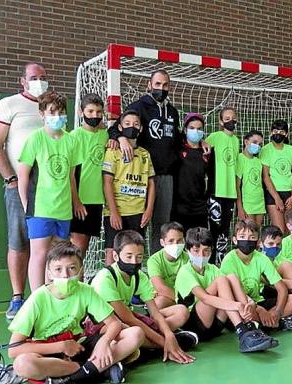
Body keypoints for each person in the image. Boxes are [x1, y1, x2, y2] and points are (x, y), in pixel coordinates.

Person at [7, 241, 144, 384]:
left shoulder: (85, 290)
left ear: (80, 270)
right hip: (49, 353)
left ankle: (72, 382)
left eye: (71, 268)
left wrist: (104, 342)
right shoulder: (38, 299)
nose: (65, 275)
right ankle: (96, 371)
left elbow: (114, 323)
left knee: (135, 333)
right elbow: (14, 349)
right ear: (49, 273)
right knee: (22, 364)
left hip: (79, 347)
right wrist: (61, 346)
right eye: (58, 269)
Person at [108, 70, 207, 253]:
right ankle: (129, 262)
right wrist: (120, 138)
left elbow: (179, 138)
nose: (161, 88)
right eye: (157, 84)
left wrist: (200, 141)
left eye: (165, 85)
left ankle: (156, 264)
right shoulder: (139, 106)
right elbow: (116, 128)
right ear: (149, 85)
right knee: (137, 223)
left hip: (166, 176)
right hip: (140, 177)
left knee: (161, 225)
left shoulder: (173, 112)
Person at [0, 62, 47, 320]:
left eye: (43, 77)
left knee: (45, 241)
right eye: (34, 77)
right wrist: (10, 178)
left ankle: (44, 294)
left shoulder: (51, 107)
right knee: (19, 239)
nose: (39, 81)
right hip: (20, 184)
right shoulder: (8, 104)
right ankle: (17, 297)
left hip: (49, 186)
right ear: (22, 81)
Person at [90, 230, 196, 365]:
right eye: (128, 256)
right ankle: (162, 347)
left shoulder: (140, 276)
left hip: (130, 318)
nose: (134, 262)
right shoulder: (105, 278)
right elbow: (127, 318)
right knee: (134, 331)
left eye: (139, 257)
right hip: (105, 325)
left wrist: (168, 334)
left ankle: (148, 347)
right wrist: (164, 342)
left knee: (181, 311)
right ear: (116, 256)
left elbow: (155, 313)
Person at [17, 91, 82, 291]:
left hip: (63, 210)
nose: (57, 116)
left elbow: (71, 176)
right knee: (39, 254)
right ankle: (37, 299)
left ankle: (53, 293)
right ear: (42, 113)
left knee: (58, 255)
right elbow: (23, 175)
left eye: (61, 112)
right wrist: (26, 205)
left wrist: (76, 202)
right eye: (52, 111)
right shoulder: (35, 139)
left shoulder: (72, 141)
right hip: (40, 208)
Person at [174, 227, 279, 352]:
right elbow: (204, 298)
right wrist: (237, 305)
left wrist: (250, 303)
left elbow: (233, 289)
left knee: (231, 278)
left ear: (211, 250)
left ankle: (250, 328)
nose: (201, 255)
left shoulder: (212, 269)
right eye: (196, 251)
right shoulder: (185, 272)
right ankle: (242, 332)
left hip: (215, 325)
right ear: (188, 250)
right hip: (195, 326)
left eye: (206, 251)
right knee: (221, 281)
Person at [220, 219, 292, 331]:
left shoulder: (261, 258)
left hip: (258, 300)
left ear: (257, 241)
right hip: (241, 304)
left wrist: (277, 312)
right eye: (242, 236)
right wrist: (259, 310)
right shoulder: (229, 260)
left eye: (252, 237)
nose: (247, 240)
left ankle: (266, 324)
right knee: (246, 310)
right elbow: (232, 294)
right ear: (235, 240)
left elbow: (282, 288)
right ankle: (281, 324)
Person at [102, 110, 156, 264]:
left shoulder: (145, 154)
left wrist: (149, 209)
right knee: (112, 253)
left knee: (135, 253)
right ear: (119, 127)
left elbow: (152, 183)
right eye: (127, 124)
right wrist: (113, 212)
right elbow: (107, 182)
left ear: (141, 129)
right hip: (117, 211)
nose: (131, 127)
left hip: (138, 212)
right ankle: (109, 286)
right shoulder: (113, 151)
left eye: (136, 124)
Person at [69, 93, 108, 258]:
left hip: (97, 201)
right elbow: (70, 174)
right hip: (80, 201)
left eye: (99, 112)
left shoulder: (105, 135)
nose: (95, 115)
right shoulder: (74, 136)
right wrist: (76, 201)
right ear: (81, 112)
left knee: (83, 250)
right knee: (77, 249)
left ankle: (78, 282)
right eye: (90, 111)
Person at [206, 107, 240, 265]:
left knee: (225, 231)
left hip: (230, 193)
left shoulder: (236, 140)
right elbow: (203, 150)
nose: (230, 121)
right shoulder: (214, 137)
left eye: (233, 118)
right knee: (214, 229)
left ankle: (220, 263)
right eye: (227, 118)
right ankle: (210, 262)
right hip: (216, 191)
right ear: (221, 121)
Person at [261, 119, 292, 235]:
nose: (278, 134)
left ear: (286, 134)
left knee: (291, 231)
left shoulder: (291, 150)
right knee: (280, 231)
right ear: (271, 133)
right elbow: (265, 176)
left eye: (282, 132)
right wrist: (277, 198)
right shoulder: (265, 150)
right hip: (273, 194)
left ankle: (290, 254)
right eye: (275, 131)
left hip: (289, 194)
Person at [172, 113, 210, 234]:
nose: (196, 131)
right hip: (179, 207)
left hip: (199, 207)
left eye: (199, 129)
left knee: (199, 243)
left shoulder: (207, 151)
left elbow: (212, 178)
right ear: (185, 129)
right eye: (192, 128)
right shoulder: (177, 147)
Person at [147, 222, 190, 309]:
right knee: (159, 303)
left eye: (179, 241)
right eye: (171, 241)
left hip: (184, 296)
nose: (176, 244)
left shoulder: (189, 258)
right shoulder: (154, 260)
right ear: (162, 242)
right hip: (165, 297)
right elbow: (160, 288)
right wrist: (182, 301)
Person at [235, 130, 266, 226]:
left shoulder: (258, 161)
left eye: (260, 144)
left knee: (257, 233)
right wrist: (240, 207)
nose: (257, 145)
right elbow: (237, 186)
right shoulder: (239, 158)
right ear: (246, 142)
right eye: (254, 142)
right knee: (248, 233)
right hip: (247, 204)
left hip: (260, 202)